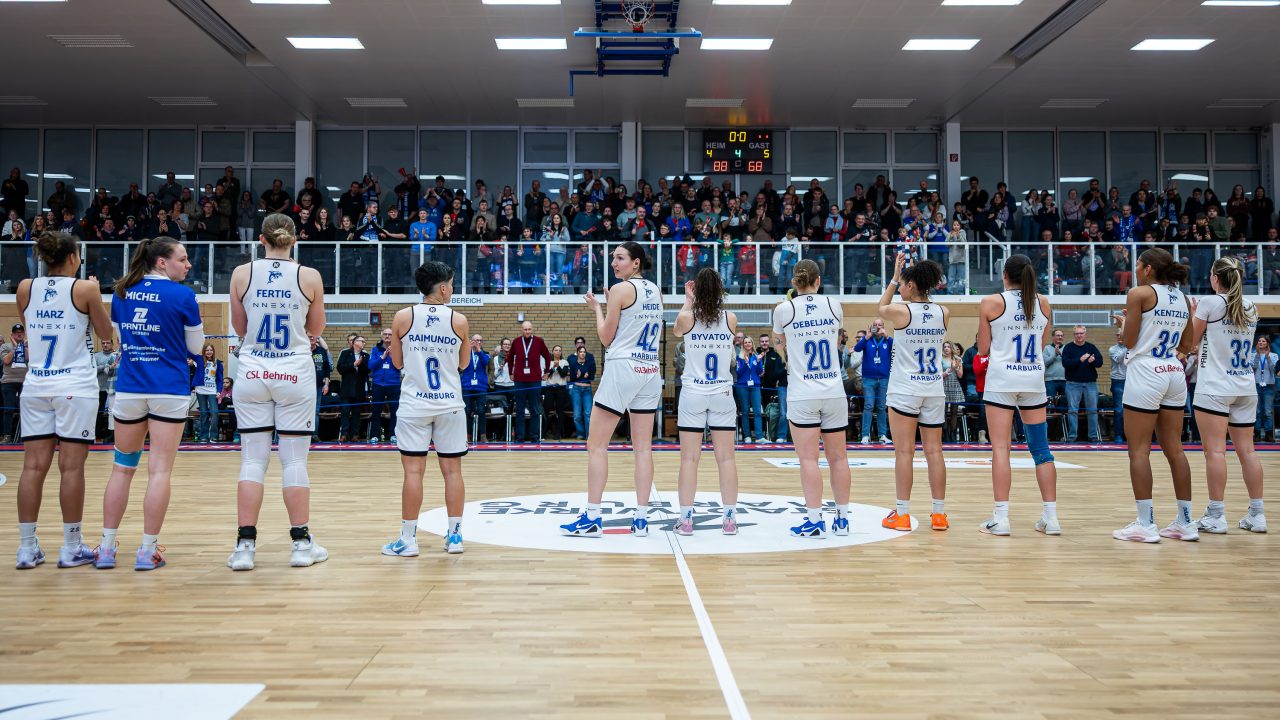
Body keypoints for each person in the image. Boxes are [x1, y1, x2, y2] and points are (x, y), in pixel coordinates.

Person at [225, 213, 328, 570]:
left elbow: (240, 328)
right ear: (295, 240)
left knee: (252, 460)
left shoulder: (242, 273)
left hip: (253, 369)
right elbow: (316, 328)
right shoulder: (309, 276)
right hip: (294, 371)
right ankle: (300, 544)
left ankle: (244, 547)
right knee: (294, 461)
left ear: (261, 240)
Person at [98, 237, 205, 570]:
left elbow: (119, 338)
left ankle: (106, 548)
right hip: (168, 391)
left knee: (122, 468)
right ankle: (147, 551)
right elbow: (196, 348)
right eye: (182, 259)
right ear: (162, 262)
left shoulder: (122, 292)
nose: (188, 265)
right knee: (159, 470)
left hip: (130, 390)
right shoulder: (183, 295)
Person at [13, 232, 112, 569]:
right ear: (72, 257)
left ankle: (27, 548)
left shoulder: (26, 287)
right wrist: (96, 295)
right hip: (74, 386)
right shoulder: (85, 289)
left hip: (36, 384)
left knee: (32, 467)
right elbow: (105, 334)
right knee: (71, 467)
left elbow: (29, 325)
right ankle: (71, 547)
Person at [560, 242, 662, 538]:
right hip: (650, 370)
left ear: (636, 262)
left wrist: (598, 309)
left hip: (623, 368)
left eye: (620, 258)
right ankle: (641, 519)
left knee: (596, 445)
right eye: (613, 258)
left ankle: (592, 518)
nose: (614, 263)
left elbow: (606, 338)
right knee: (643, 448)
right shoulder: (655, 289)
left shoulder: (620, 290)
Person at [383, 262, 471, 557]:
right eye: (452, 284)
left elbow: (397, 363)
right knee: (452, 471)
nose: (453, 289)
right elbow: (463, 364)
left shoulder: (402, 317)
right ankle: (455, 536)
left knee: (413, 472)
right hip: (449, 404)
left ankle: (408, 540)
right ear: (443, 288)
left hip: (414, 404)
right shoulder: (459, 320)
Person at [1112, 248, 1195, 544]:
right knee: (1176, 450)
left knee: (1139, 450)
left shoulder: (1139, 294)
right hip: (1173, 371)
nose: (1135, 269)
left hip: (1146, 370)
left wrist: (1124, 326)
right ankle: (1186, 522)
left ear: (1148, 269)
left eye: (1137, 265)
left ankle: (1145, 523)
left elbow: (1129, 341)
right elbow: (1187, 344)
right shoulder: (1183, 298)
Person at [976, 254, 1060, 537]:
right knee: (1041, 449)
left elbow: (983, 349)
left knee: (1001, 448)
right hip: (1033, 379)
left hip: (1002, 380)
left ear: (1005, 276)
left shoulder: (991, 302)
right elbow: (1042, 343)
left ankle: (1001, 519)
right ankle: (1051, 518)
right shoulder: (1044, 302)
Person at [770, 260, 851, 538]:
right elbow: (836, 339)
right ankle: (842, 520)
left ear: (794, 282)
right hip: (834, 389)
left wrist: (790, 350)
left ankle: (815, 520)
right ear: (818, 281)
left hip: (803, 392)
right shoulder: (834, 305)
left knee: (808, 459)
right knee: (839, 458)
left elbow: (778, 343)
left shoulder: (784, 309)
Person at [1187, 257, 1266, 534]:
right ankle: (1257, 514)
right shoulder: (1251, 305)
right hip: (1245, 387)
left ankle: (1216, 515)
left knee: (1215, 451)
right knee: (1248, 451)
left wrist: (1193, 314)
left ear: (1215, 278)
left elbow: (1190, 342)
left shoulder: (1210, 303)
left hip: (1215, 387)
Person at [878, 255, 950, 532]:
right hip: (933, 388)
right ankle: (939, 514)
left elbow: (881, 307)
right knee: (935, 452)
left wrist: (894, 276)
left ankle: (903, 514)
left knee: (904, 452)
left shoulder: (901, 311)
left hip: (906, 389)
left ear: (910, 285)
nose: (900, 289)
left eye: (902, 285)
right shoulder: (944, 312)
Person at [671, 269, 740, 535]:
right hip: (722, 393)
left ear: (697, 290)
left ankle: (686, 520)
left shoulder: (686, 318)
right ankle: (730, 520)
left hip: (693, 394)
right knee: (726, 459)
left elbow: (677, 332)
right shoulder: (730, 319)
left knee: (689, 459)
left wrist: (688, 300)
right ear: (721, 291)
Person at [508, 321, 551, 443]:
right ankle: (520, 436)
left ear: (532, 330)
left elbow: (547, 356)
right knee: (520, 409)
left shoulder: (538, 341)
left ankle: (535, 436)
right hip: (520, 380)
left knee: (535, 409)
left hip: (535, 380)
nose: (527, 331)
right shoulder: (516, 341)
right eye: (525, 329)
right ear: (521, 330)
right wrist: (510, 373)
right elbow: (510, 358)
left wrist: (547, 371)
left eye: (529, 329)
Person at [1062, 326, 1104, 443]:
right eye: (1077, 333)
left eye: (1081, 333)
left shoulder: (1091, 347)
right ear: (1074, 335)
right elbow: (1065, 363)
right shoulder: (1068, 347)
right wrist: (1079, 360)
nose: (1079, 335)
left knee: (1092, 410)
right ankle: (1072, 436)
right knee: (1072, 410)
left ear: (1085, 334)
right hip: (1072, 384)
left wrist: (1093, 361)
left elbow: (1100, 363)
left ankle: (1093, 436)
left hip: (1090, 384)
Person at [855, 318, 891, 443]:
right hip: (868, 378)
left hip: (883, 378)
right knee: (869, 406)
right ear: (871, 327)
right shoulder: (867, 340)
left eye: (880, 325)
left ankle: (882, 435)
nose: (877, 326)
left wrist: (887, 336)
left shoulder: (887, 340)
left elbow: (897, 348)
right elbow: (857, 349)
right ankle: (865, 435)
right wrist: (866, 337)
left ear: (883, 327)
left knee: (881, 407)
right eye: (875, 325)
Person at [367, 328, 402, 444]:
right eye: (385, 334)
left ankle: (393, 435)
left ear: (393, 336)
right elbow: (371, 366)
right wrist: (383, 357)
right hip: (378, 384)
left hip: (393, 384)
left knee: (395, 411)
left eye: (390, 334)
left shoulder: (398, 349)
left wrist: (391, 356)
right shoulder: (375, 350)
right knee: (376, 411)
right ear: (382, 336)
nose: (387, 336)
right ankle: (374, 436)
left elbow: (400, 366)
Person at [337, 336, 370, 442]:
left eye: (364, 341)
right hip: (347, 389)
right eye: (362, 341)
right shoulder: (345, 353)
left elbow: (368, 370)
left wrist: (360, 365)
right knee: (345, 412)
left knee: (356, 413)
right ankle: (344, 434)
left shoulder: (365, 355)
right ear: (355, 342)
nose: (364, 343)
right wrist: (353, 364)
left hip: (359, 389)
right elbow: (340, 368)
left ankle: (355, 434)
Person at [189, 344, 224, 444]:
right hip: (200, 390)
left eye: (211, 350)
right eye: (207, 350)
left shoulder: (217, 362)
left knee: (214, 413)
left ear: (213, 351)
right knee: (204, 413)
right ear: (204, 351)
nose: (209, 352)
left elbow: (220, 379)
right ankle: (203, 436)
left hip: (212, 391)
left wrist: (219, 391)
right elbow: (188, 353)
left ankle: (214, 435)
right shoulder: (199, 359)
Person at [0, 323, 28, 443]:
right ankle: (7, 435)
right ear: (12, 334)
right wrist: (15, 348)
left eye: (21, 332)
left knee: (25, 410)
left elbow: (29, 359)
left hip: (25, 382)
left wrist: (23, 347)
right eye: (16, 333)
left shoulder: (27, 346)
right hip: (9, 381)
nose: (19, 334)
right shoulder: (5, 346)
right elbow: (6, 360)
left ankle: (24, 436)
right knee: (8, 409)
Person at [734, 337, 764, 443]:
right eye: (745, 342)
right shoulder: (739, 357)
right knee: (745, 411)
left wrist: (759, 361)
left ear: (752, 343)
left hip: (755, 385)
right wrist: (745, 364)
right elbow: (738, 373)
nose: (747, 344)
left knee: (757, 411)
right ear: (743, 345)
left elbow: (760, 372)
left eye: (749, 342)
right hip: (742, 386)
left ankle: (759, 437)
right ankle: (747, 436)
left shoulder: (756, 356)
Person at [461, 334, 490, 443]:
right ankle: (467, 435)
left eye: (480, 340)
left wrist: (478, 351)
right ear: (471, 341)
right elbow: (461, 364)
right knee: (467, 411)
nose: (478, 342)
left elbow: (485, 362)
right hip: (467, 385)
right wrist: (468, 349)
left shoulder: (485, 354)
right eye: (476, 340)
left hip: (481, 386)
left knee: (481, 410)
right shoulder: (466, 354)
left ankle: (483, 435)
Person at [759, 334, 788, 443]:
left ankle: (793, 435)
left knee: (797, 412)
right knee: (783, 412)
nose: (787, 347)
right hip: (782, 386)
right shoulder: (779, 357)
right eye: (785, 346)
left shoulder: (797, 357)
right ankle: (781, 435)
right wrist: (785, 368)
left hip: (797, 387)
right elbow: (776, 374)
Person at [1254, 336, 1277, 442]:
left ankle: (1269, 434)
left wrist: (1267, 357)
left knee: (1268, 411)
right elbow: (1253, 369)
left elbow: (1273, 370)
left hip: (1269, 386)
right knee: (1257, 411)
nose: (1261, 342)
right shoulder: (1253, 355)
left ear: (1267, 343)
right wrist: (1257, 356)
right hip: (1256, 385)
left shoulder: (1274, 355)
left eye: (1263, 341)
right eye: (1259, 341)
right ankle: (1257, 434)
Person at [1108, 329, 1128, 443]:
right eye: (1118, 335)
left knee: (1131, 410)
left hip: (1131, 381)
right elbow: (1119, 360)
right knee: (1119, 410)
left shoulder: (1134, 348)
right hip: (1118, 381)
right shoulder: (1113, 349)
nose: (1119, 336)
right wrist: (1128, 346)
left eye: (1122, 335)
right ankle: (1119, 435)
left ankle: (1130, 435)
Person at [1042, 329, 1066, 412]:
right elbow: (1045, 362)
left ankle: (1063, 420)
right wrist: (1055, 354)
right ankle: (1051, 420)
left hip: (1065, 380)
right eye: (1058, 335)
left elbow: (1069, 361)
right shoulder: (1046, 349)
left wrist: (1061, 354)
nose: (1060, 337)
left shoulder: (1067, 348)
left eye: (1061, 335)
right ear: (1052, 337)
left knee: (1064, 405)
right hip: (1050, 381)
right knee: (1050, 406)